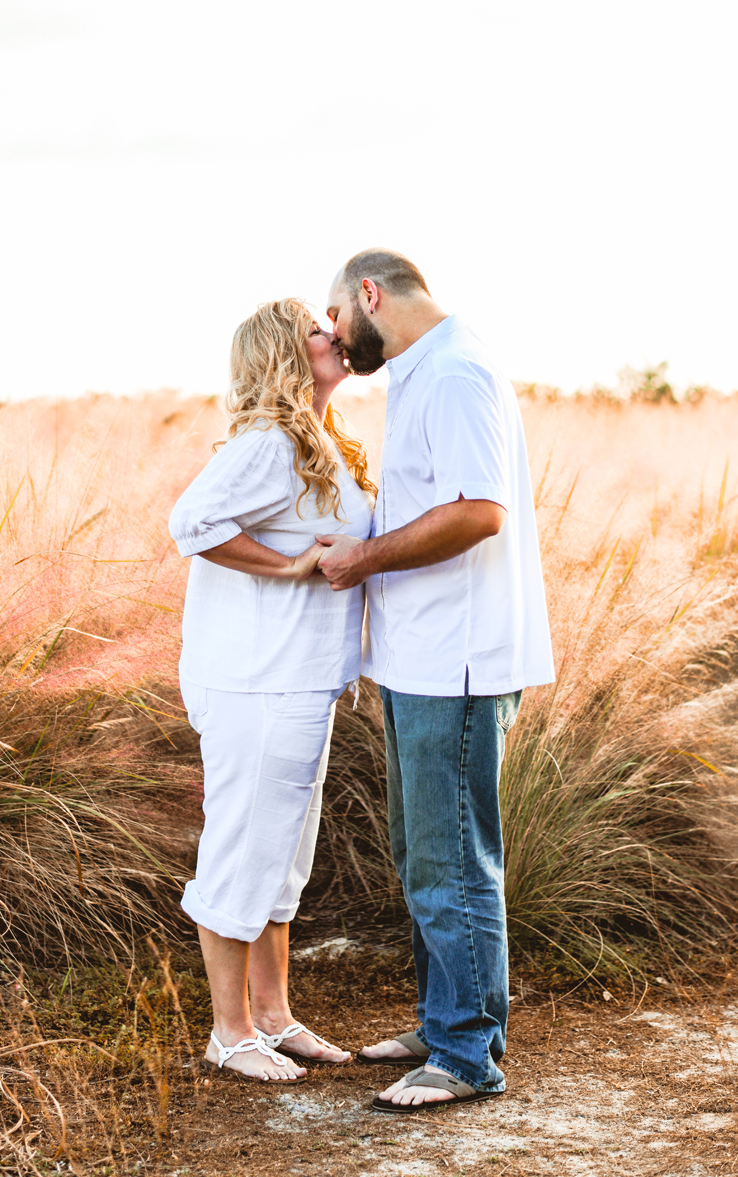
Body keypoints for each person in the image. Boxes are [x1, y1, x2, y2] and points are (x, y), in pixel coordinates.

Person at [315, 249, 554, 1111]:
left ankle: (463, 1054)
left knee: (452, 861)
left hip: (456, 662)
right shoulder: (426, 370)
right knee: (426, 856)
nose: (335, 334)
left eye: (337, 315)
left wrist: (362, 558)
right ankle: (448, 1018)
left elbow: (476, 512)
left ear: (369, 295)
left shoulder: (455, 372)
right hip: (422, 659)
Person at [167, 298, 373, 1082]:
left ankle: (275, 1016)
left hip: (302, 680)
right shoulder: (268, 442)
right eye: (319, 332)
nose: (336, 337)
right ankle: (230, 1031)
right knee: (241, 853)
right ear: (288, 353)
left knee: (282, 860)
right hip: (255, 682)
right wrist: (288, 566)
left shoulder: (319, 438)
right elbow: (192, 521)